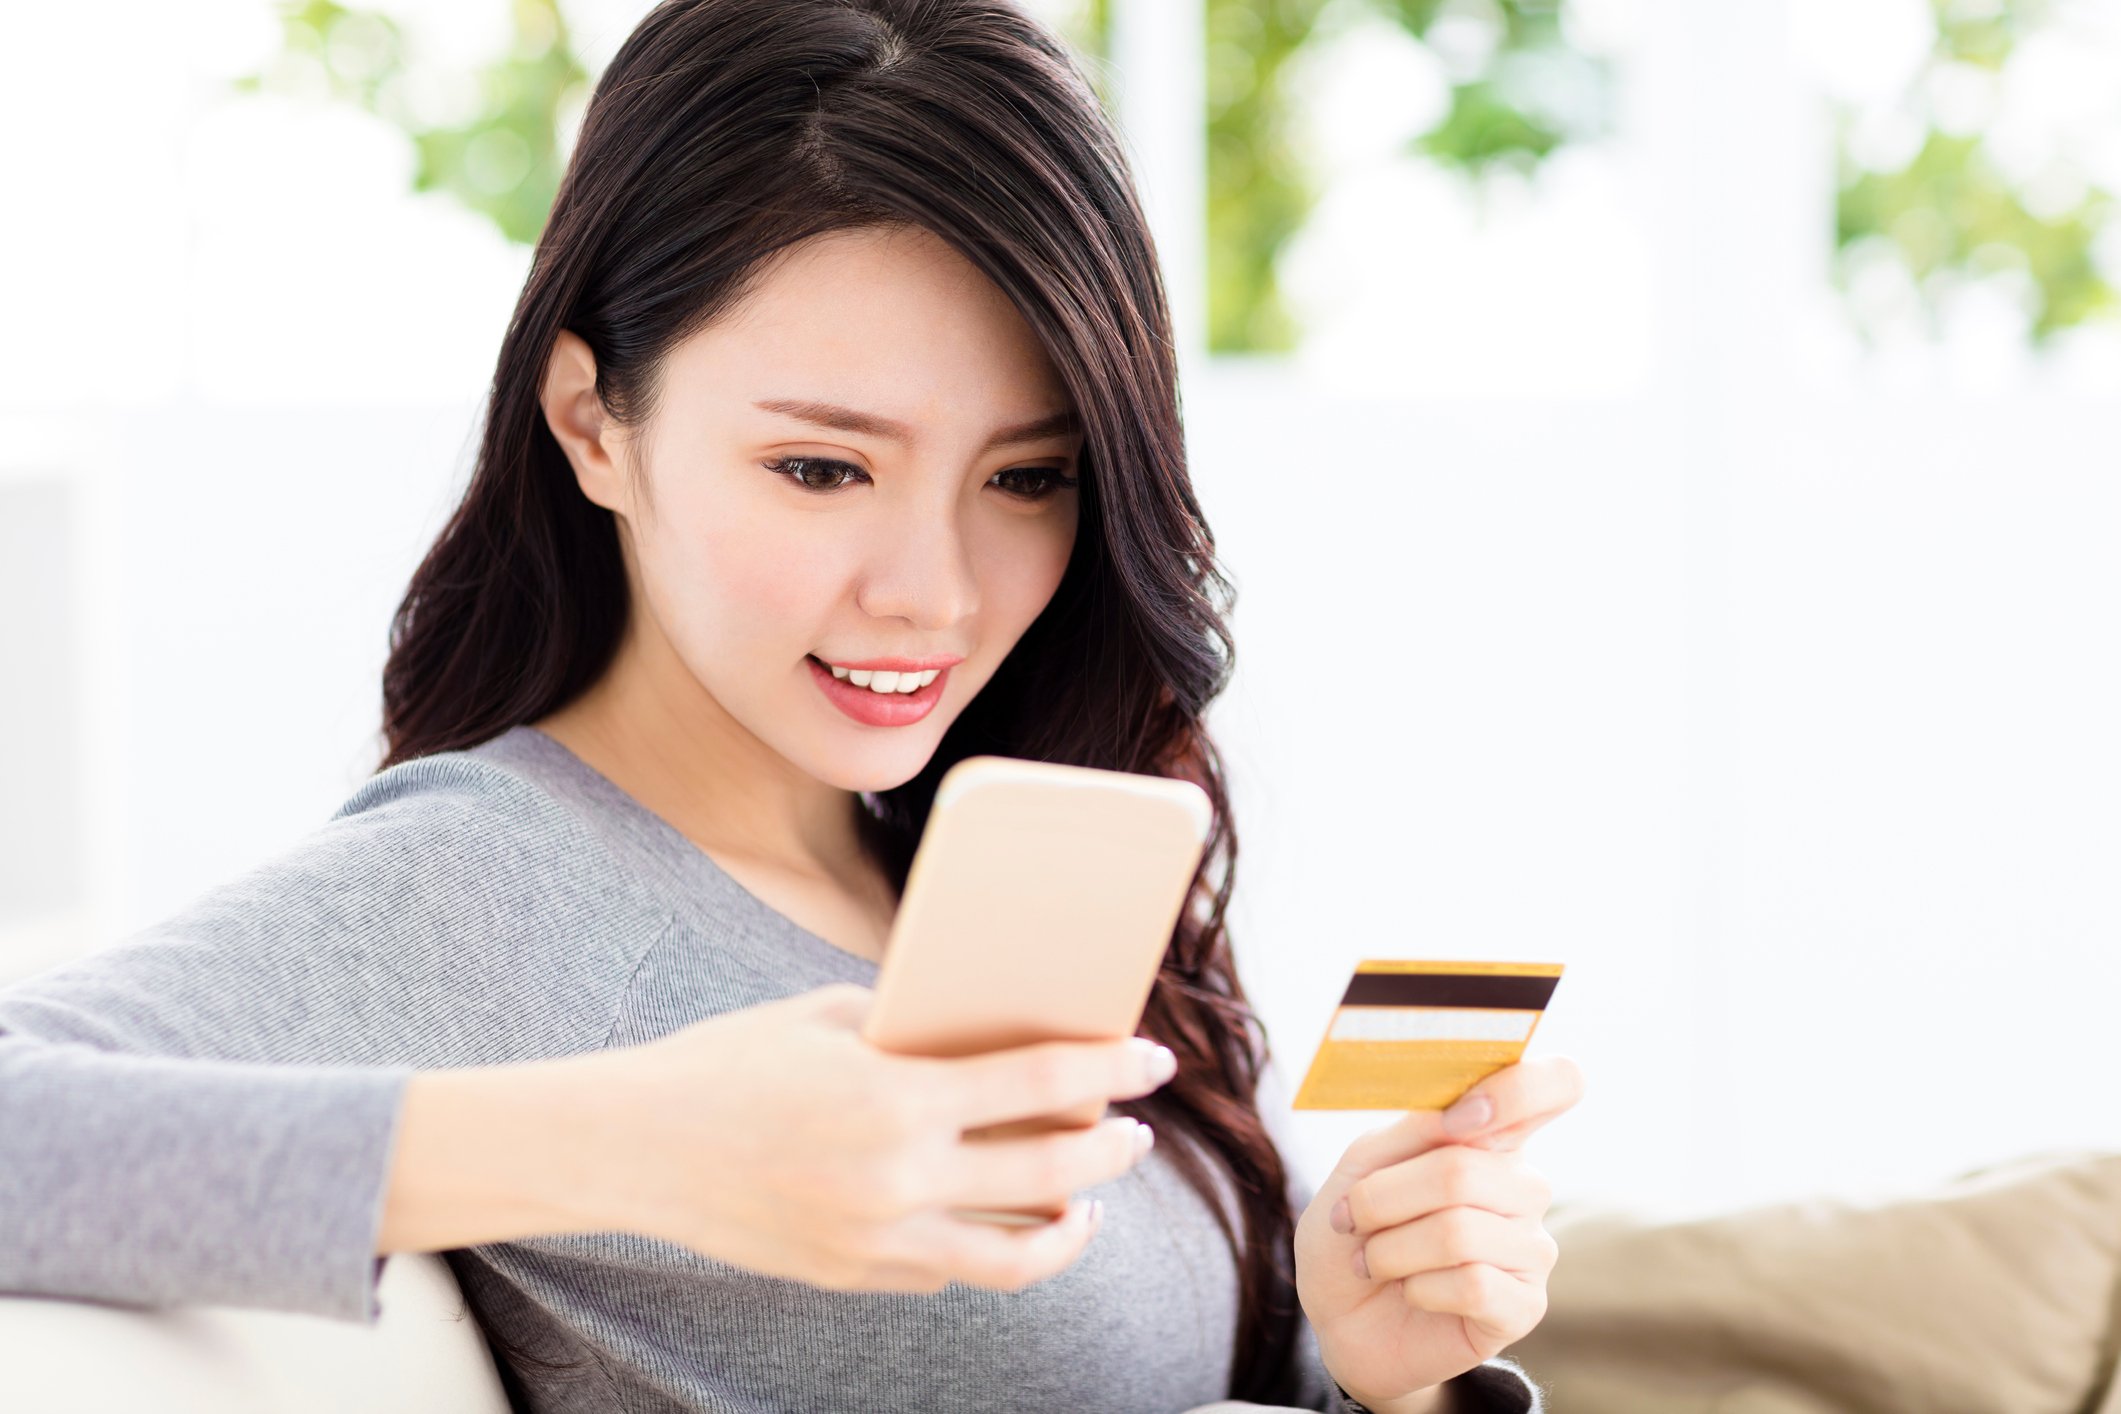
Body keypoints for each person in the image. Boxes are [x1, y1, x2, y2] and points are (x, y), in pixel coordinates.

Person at [0, 1, 1583, 1410]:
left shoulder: (970, 847)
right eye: (822, 467)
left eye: (1026, 478)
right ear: (592, 422)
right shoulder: (489, 883)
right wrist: (632, 1141)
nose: (936, 592)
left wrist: (1382, 1364)